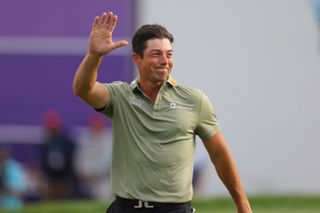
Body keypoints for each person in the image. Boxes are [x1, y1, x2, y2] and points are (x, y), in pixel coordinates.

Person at [73, 11, 252, 213]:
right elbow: (82, 89)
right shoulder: (119, 96)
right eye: (156, 54)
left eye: (169, 54)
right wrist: (94, 55)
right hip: (126, 208)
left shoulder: (194, 100)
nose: (165, 60)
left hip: (175, 209)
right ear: (137, 59)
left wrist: (243, 205)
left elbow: (219, 154)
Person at [74, 114, 112, 200]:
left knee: (105, 197)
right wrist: (84, 173)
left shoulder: (110, 139)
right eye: (94, 124)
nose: (96, 126)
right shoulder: (84, 138)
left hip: (105, 180)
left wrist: (95, 174)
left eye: (98, 124)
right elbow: (79, 159)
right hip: (86, 180)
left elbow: (109, 161)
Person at [40, 110, 76, 200]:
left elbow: (71, 159)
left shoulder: (66, 141)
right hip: (50, 179)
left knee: (65, 202)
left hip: (65, 178)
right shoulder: (46, 142)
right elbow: (41, 160)